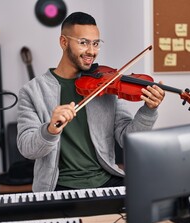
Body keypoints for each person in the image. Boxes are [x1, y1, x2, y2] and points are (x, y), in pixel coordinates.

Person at [17, 12, 165, 192]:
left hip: (106, 181)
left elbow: (128, 140)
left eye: (95, 44)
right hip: (58, 186)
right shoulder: (32, 91)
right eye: (83, 43)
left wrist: (149, 110)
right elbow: (27, 148)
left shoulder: (106, 84)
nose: (91, 51)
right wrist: (50, 130)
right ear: (64, 42)